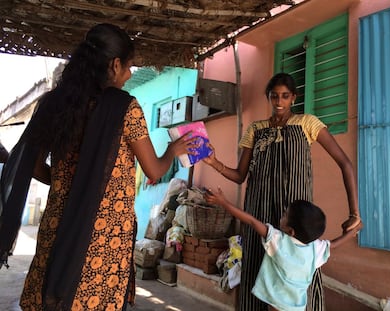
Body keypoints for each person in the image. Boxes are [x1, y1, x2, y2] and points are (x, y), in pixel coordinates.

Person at [0, 23, 198, 310]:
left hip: (58, 225)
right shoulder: (124, 108)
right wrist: (172, 149)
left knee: (52, 296)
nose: (129, 75)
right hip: (104, 235)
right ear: (114, 65)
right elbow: (155, 171)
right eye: (129, 67)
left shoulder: (54, 104)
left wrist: (65, 182)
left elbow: (30, 165)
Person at [203, 72, 361, 311]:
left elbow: (345, 163)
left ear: (293, 98)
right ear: (268, 97)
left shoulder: (308, 123)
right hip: (260, 209)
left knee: (301, 267)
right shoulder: (256, 130)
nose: (279, 101)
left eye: (285, 96)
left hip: (295, 212)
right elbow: (240, 176)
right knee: (257, 263)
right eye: (275, 96)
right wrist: (214, 162)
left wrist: (354, 212)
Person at [204, 187, 362, 311]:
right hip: (297, 306)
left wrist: (223, 202)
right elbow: (334, 244)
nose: (281, 216)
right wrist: (351, 233)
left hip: (276, 304)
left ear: (291, 231)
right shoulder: (315, 249)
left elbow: (251, 221)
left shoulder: (279, 241)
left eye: (285, 216)